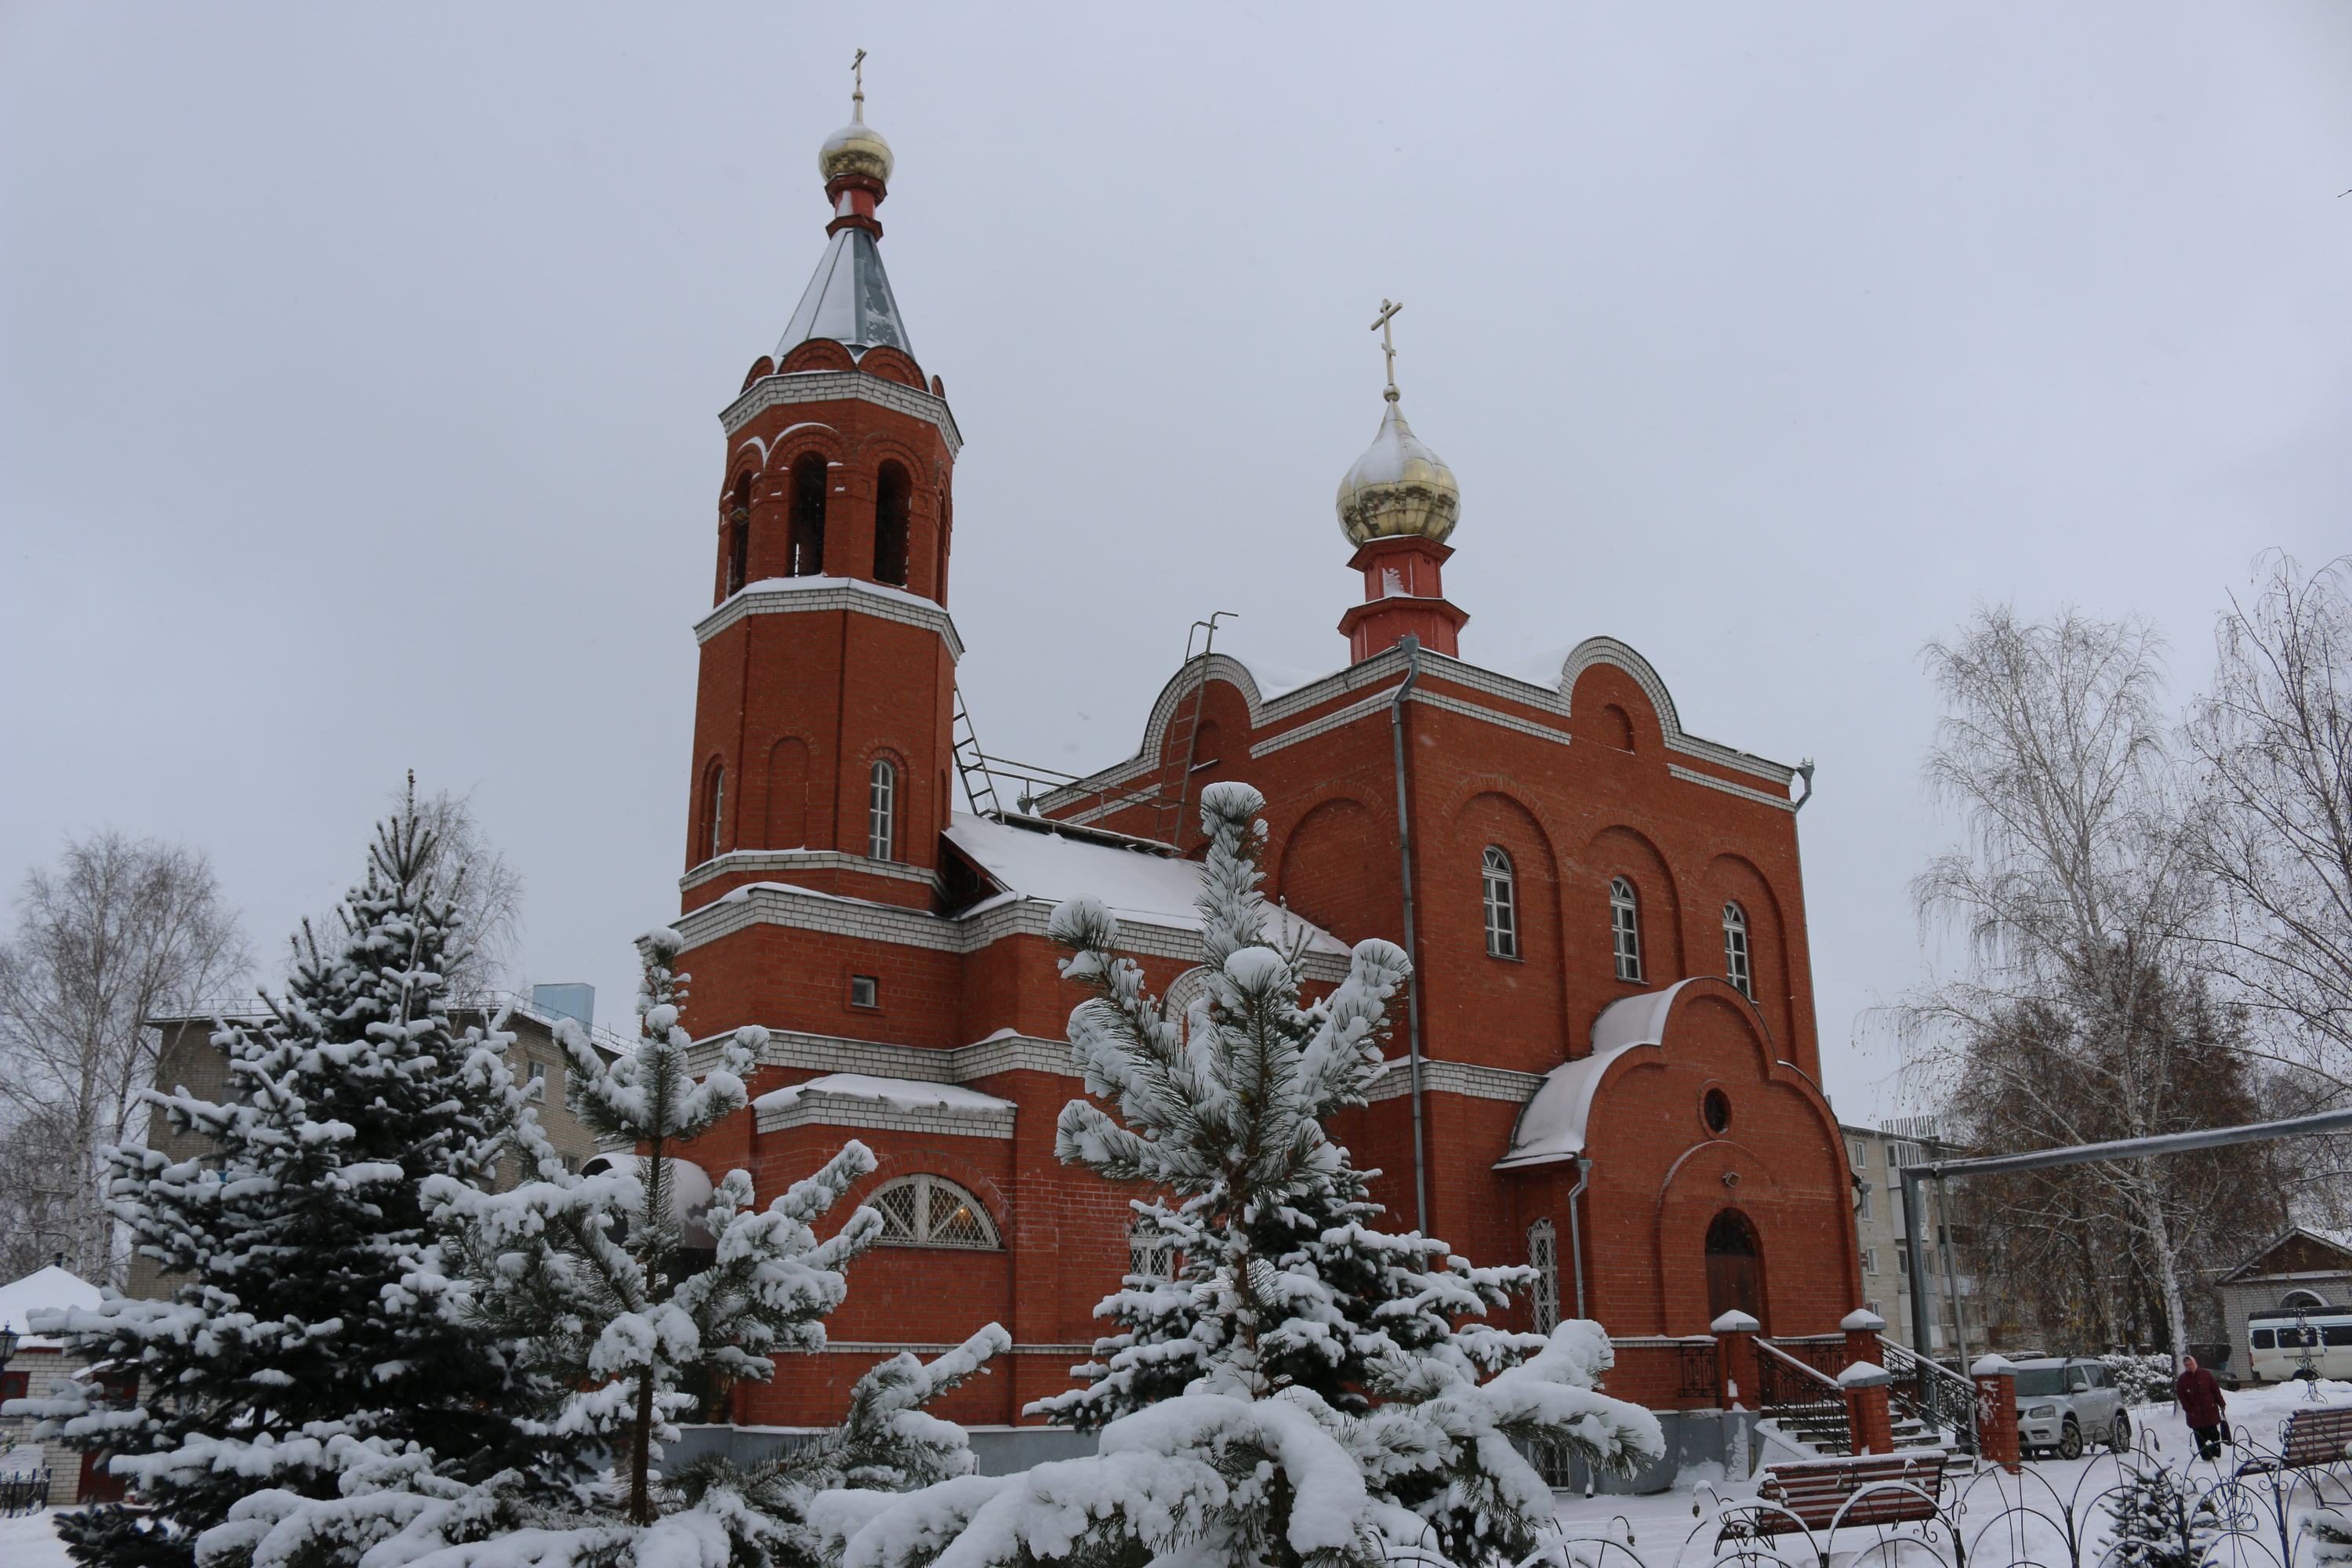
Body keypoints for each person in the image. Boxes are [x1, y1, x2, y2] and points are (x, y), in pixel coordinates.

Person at [2176, 1354, 2228, 1460]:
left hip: (2210, 1410)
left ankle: (2216, 1455)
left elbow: (2215, 1391)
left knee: (2214, 1434)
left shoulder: (2206, 1375)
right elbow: (2182, 1396)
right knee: (2200, 1437)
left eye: (2191, 1364)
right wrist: (2188, 1409)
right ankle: (2206, 1457)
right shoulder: (2182, 1379)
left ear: (2194, 1363)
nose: (2189, 1367)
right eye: (2187, 1365)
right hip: (2195, 1415)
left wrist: (2221, 1404)